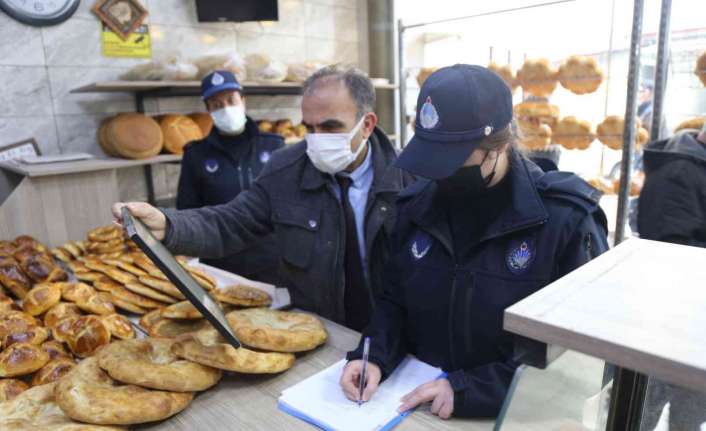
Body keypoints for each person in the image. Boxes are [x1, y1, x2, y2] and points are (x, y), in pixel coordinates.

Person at [340, 65, 609, 419]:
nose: (440, 174)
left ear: (500, 145)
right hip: (417, 408)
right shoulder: (415, 208)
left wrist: (472, 389)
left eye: (452, 161)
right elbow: (394, 302)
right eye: (432, 159)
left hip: (513, 417)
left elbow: (582, 359)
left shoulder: (564, 221)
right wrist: (373, 354)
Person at [113, 65, 413, 330]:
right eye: (310, 127)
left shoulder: (411, 179)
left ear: (368, 124)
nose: (318, 138)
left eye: (331, 126)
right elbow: (230, 222)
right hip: (320, 329)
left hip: (398, 335)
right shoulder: (285, 170)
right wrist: (167, 224)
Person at [176, 70, 285, 285]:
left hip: (272, 261)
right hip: (221, 265)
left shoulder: (273, 145)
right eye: (216, 104)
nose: (225, 108)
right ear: (208, 109)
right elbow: (188, 210)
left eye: (231, 100)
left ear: (243, 100)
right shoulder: (196, 154)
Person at [637, 121, 706, 431]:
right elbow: (674, 257)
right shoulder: (679, 173)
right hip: (669, 330)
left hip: (690, 330)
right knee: (642, 415)